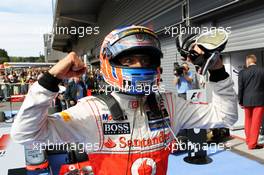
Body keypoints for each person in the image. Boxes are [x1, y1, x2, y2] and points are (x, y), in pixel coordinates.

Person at [11, 26, 238, 175]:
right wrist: (50, 80)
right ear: (110, 64)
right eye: (129, 60)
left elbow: (225, 116)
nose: (139, 65)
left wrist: (217, 69)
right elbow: (26, 135)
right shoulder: (92, 111)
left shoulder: (170, 105)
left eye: (145, 59)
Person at [238, 54, 264, 149]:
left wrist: (240, 101)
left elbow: (241, 88)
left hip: (246, 100)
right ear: (255, 61)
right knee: (256, 122)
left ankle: (249, 140)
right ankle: (252, 144)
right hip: (260, 100)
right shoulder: (262, 71)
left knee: (248, 121)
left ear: (247, 61)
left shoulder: (242, 73)